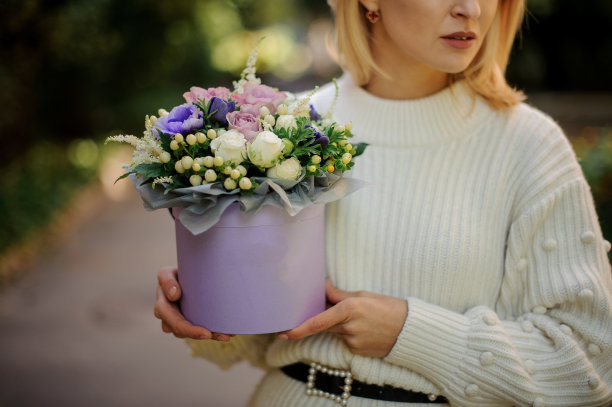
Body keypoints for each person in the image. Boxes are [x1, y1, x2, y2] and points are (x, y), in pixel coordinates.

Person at [154, 0, 612, 405]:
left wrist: (410, 332)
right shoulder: (282, 128)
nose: (471, 8)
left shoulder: (530, 146)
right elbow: (247, 342)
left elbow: (587, 368)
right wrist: (205, 300)